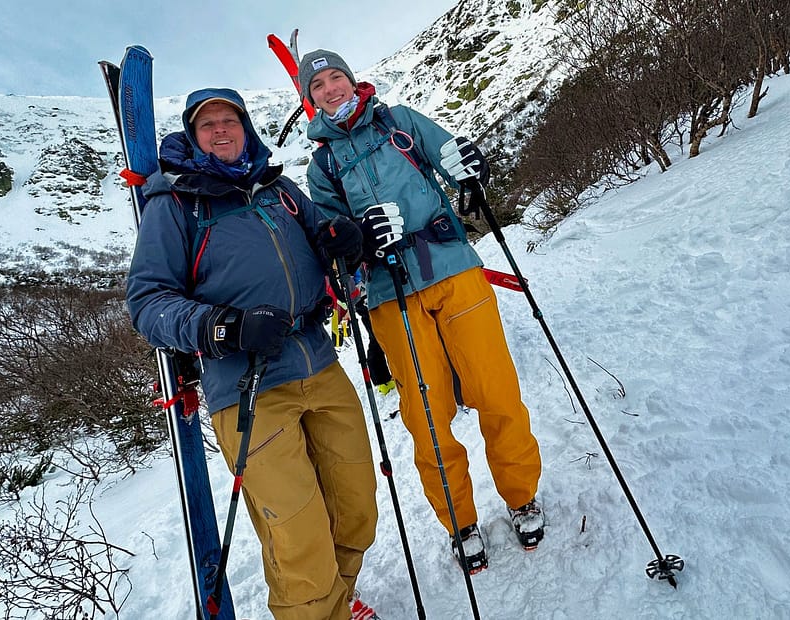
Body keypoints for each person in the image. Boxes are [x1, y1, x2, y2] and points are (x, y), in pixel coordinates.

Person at [126, 87, 380, 620]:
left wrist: (343, 242)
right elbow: (148, 304)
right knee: (298, 537)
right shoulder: (174, 205)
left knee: (356, 510)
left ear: (246, 128)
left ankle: (335, 599)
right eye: (207, 125)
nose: (221, 130)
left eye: (229, 120)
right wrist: (224, 327)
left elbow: (324, 241)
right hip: (246, 389)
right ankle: (316, 606)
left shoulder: (279, 188)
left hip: (318, 360)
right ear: (192, 138)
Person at [298, 50, 545, 573]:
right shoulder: (322, 166)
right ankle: (460, 521)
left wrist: (468, 166)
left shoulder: (401, 121)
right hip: (391, 295)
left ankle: (521, 494)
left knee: (495, 389)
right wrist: (358, 238)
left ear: (351, 78)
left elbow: (451, 158)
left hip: (453, 268)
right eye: (318, 84)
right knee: (426, 415)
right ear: (309, 97)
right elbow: (331, 238)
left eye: (335, 76)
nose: (330, 88)